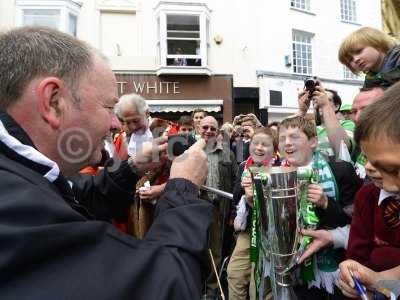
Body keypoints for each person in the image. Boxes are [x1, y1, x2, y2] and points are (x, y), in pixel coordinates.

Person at [0, 26, 213, 299]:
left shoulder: (22, 178)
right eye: (108, 108)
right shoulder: (17, 207)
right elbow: (163, 286)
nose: (116, 125)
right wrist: (183, 188)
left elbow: (77, 194)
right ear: (53, 102)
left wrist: (130, 169)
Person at [278, 116, 361, 299]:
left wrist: (326, 204)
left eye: (294, 137)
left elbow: (357, 224)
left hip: (333, 271)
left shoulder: (341, 170)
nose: (287, 143)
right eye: (282, 138)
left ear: (313, 142)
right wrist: (253, 200)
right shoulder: (275, 175)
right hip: (293, 267)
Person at [338, 81, 400, 298]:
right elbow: (356, 257)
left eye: (394, 168)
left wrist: (377, 282)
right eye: (366, 157)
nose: (369, 168)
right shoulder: (367, 197)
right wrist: (357, 277)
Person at [227, 127, 278, 300]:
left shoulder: (279, 168)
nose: (259, 148)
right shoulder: (244, 166)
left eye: (265, 144)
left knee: (258, 287)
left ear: (274, 149)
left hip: (270, 234)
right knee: (234, 273)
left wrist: (255, 196)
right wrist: (244, 189)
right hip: (248, 230)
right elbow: (235, 197)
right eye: (256, 143)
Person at [297, 83, 355, 160]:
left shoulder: (347, 124)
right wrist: (302, 111)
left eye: (327, 100)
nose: (319, 102)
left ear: (337, 106)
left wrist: (325, 106)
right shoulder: (310, 128)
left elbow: (343, 149)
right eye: (315, 99)